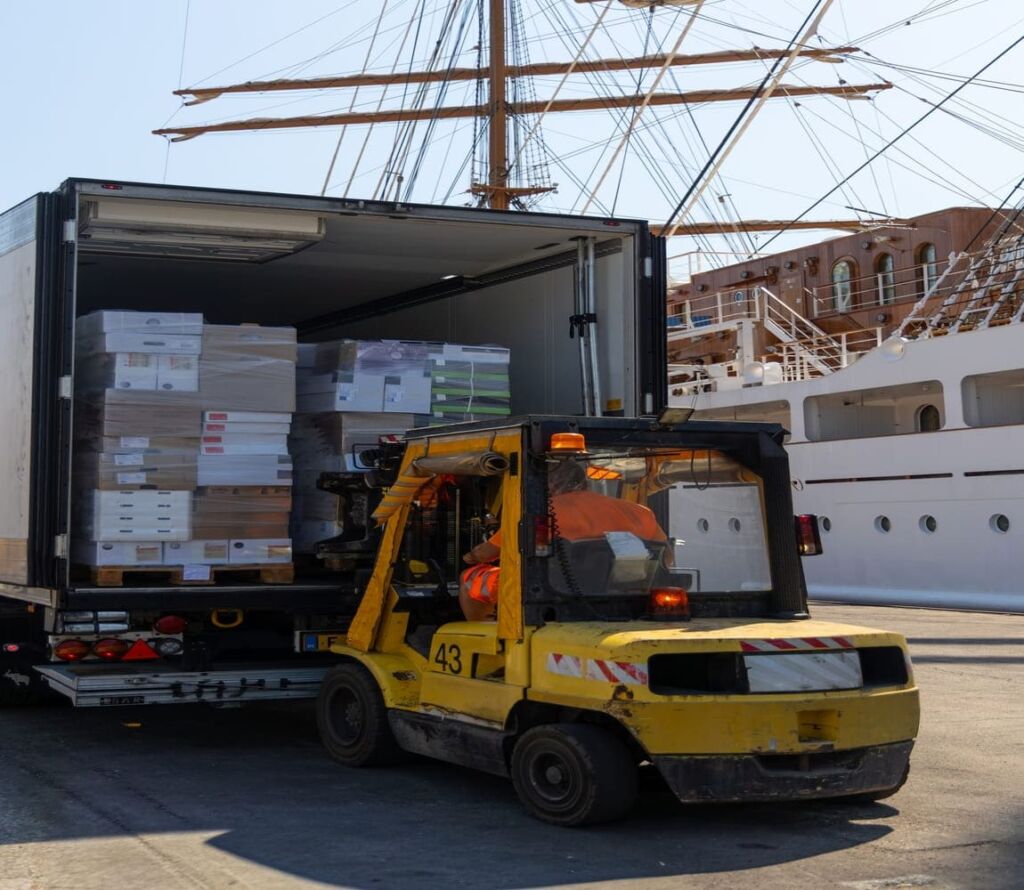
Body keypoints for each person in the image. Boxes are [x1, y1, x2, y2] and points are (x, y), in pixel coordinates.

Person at [458, 460, 666, 621]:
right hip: (624, 594)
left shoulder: (537, 515)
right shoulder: (640, 512)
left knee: (470, 578)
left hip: (552, 592)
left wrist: (470, 556)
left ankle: (487, 635)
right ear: (583, 482)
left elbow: (487, 553)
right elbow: (666, 556)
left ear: (547, 484)